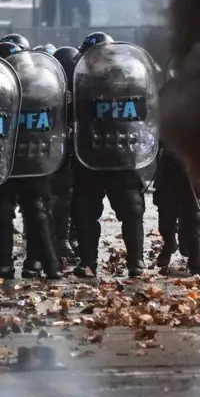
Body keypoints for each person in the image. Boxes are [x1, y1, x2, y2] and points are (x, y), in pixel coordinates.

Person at [67, 33, 147, 278]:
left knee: (132, 209)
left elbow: (144, 114)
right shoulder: (78, 85)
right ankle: (88, 262)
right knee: (84, 210)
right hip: (89, 156)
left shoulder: (129, 81)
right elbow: (70, 119)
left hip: (121, 155)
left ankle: (136, 261)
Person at [0, 41, 61, 280]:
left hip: (16, 161)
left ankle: (25, 264)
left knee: (28, 211)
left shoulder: (38, 89)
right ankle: (42, 265)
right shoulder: (39, 88)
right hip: (20, 161)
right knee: (30, 211)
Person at [49, 45, 81, 270]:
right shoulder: (50, 93)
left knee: (75, 199)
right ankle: (63, 239)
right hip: (61, 155)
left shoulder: (87, 90)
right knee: (63, 198)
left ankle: (71, 238)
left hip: (80, 155)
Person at [153, 139, 200, 276]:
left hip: (193, 173)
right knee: (165, 219)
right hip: (168, 171)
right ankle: (169, 243)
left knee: (193, 219)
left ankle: (196, 260)